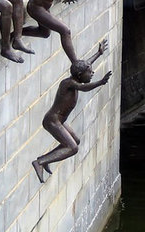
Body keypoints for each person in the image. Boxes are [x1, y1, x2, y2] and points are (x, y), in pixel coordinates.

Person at [32, 39, 111, 183]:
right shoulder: (69, 84)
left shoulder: (77, 76)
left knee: (76, 140)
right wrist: (100, 82)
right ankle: (40, 162)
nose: (92, 73)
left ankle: (47, 159)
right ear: (80, 75)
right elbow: (85, 88)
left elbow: (85, 63)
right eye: (89, 72)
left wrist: (98, 54)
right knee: (73, 148)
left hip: (60, 121)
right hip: (52, 121)